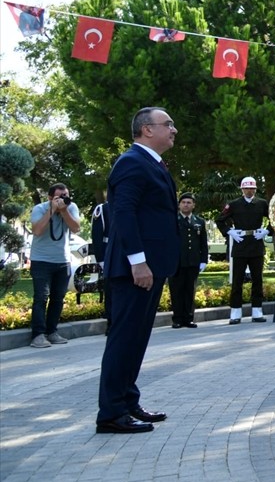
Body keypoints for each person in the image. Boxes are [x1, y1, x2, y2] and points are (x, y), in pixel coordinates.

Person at [95, 107, 179, 434]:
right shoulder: (131, 162)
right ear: (147, 130)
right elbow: (124, 214)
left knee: (136, 339)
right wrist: (138, 260)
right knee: (124, 339)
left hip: (150, 266)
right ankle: (111, 413)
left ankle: (127, 401)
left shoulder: (150, 163)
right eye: (167, 124)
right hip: (135, 268)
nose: (173, 129)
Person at [28, 183, 81, 348]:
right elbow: (37, 230)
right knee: (41, 297)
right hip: (41, 260)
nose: (63, 199)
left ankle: (52, 332)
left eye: (65, 195)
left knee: (58, 298)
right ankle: (37, 335)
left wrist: (64, 210)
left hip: (62, 261)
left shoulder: (70, 208)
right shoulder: (39, 208)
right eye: (59, 197)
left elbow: (76, 228)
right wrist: (51, 210)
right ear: (50, 197)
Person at [215, 177, 272, 324]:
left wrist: (267, 231)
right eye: (246, 188)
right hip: (240, 243)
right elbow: (219, 220)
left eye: (252, 188)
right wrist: (229, 232)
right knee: (237, 281)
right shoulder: (234, 204)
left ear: (255, 189)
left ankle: (257, 311)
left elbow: (274, 218)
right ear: (242, 189)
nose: (249, 191)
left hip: (256, 242)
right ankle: (235, 313)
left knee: (257, 280)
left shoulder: (261, 203)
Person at [169, 193, 208, 329]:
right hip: (177, 262)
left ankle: (189, 318)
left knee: (190, 291)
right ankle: (177, 319)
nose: (186, 204)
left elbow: (203, 243)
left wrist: (203, 260)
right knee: (177, 290)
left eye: (189, 202)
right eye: (183, 202)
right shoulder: (173, 220)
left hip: (193, 261)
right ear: (179, 205)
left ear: (193, 205)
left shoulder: (199, 221)